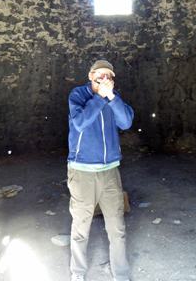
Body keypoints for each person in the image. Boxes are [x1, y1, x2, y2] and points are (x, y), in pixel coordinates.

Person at [67, 60, 134, 281]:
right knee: (81, 227)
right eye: (99, 74)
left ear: (112, 79)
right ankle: (77, 273)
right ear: (90, 75)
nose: (103, 78)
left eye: (108, 75)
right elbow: (81, 123)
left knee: (117, 226)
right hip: (82, 170)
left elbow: (125, 122)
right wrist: (99, 97)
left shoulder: (114, 98)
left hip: (110, 171)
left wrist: (111, 97)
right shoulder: (78, 95)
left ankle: (121, 275)